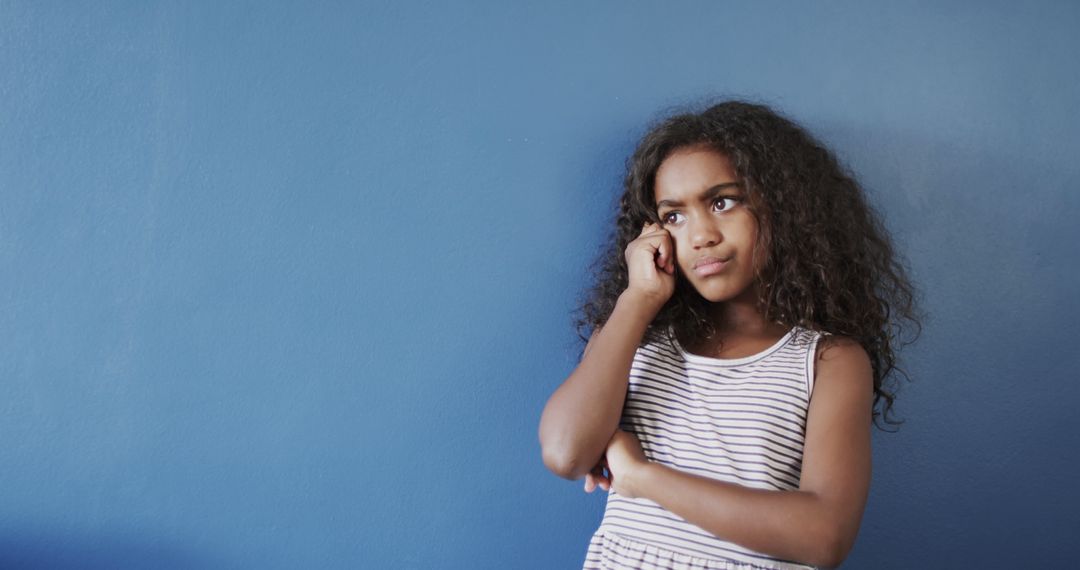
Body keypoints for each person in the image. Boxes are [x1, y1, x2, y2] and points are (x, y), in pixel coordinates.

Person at [538, 100, 922, 569]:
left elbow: (824, 536)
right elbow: (564, 453)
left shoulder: (827, 361)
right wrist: (637, 300)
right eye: (674, 216)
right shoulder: (635, 333)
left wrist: (642, 476)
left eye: (722, 202)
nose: (701, 235)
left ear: (783, 207)